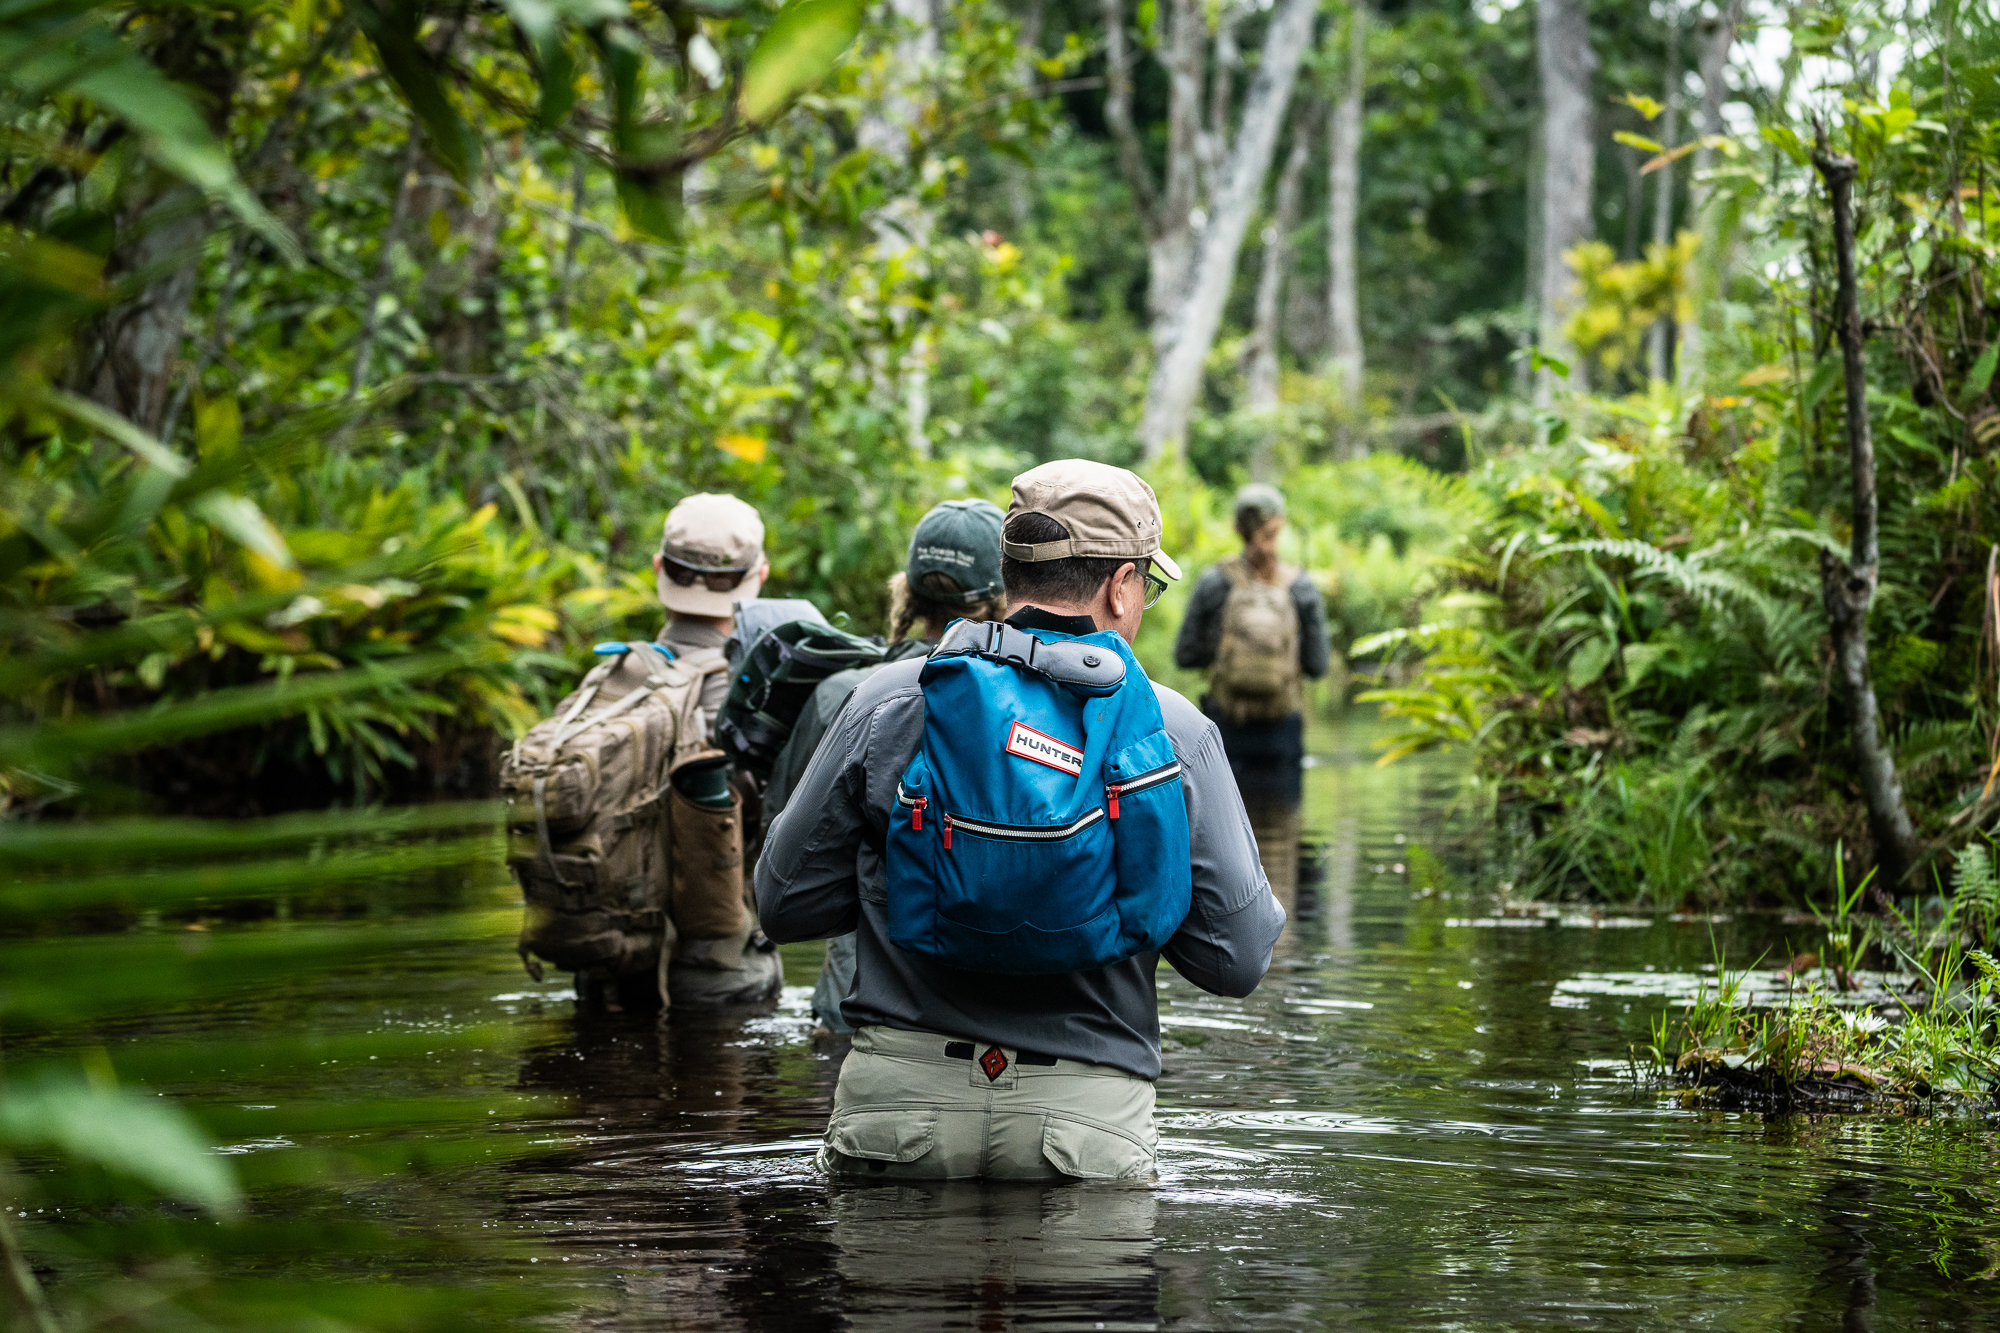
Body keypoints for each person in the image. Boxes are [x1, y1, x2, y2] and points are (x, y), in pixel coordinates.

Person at [755, 459, 1284, 1181]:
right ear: (1121, 584)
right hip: (1087, 1123)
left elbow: (784, 905)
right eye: (1146, 586)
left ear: (1009, 576)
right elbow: (1237, 959)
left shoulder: (890, 700)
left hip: (898, 1110)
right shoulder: (1172, 730)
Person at [759, 499, 1011, 1039]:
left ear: (908, 591)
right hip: (1003, 1013)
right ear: (1006, 598)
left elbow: (782, 857)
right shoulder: (1037, 705)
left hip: (858, 1003)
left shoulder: (841, 696)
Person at [652, 492, 784, 1006]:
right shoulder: (751, 694)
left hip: (611, 960)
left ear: (661, 568)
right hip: (719, 973)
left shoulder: (615, 676)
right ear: (759, 576)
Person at [1172, 483, 1331, 911]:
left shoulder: (1214, 582)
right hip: (1282, 738)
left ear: (1237, 528)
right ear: (1279, 525)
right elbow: (1318, 665)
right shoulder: (1301, 587)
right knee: (1282, 845)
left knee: (1224, 846)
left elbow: (1186, 655)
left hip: (1226, 738)